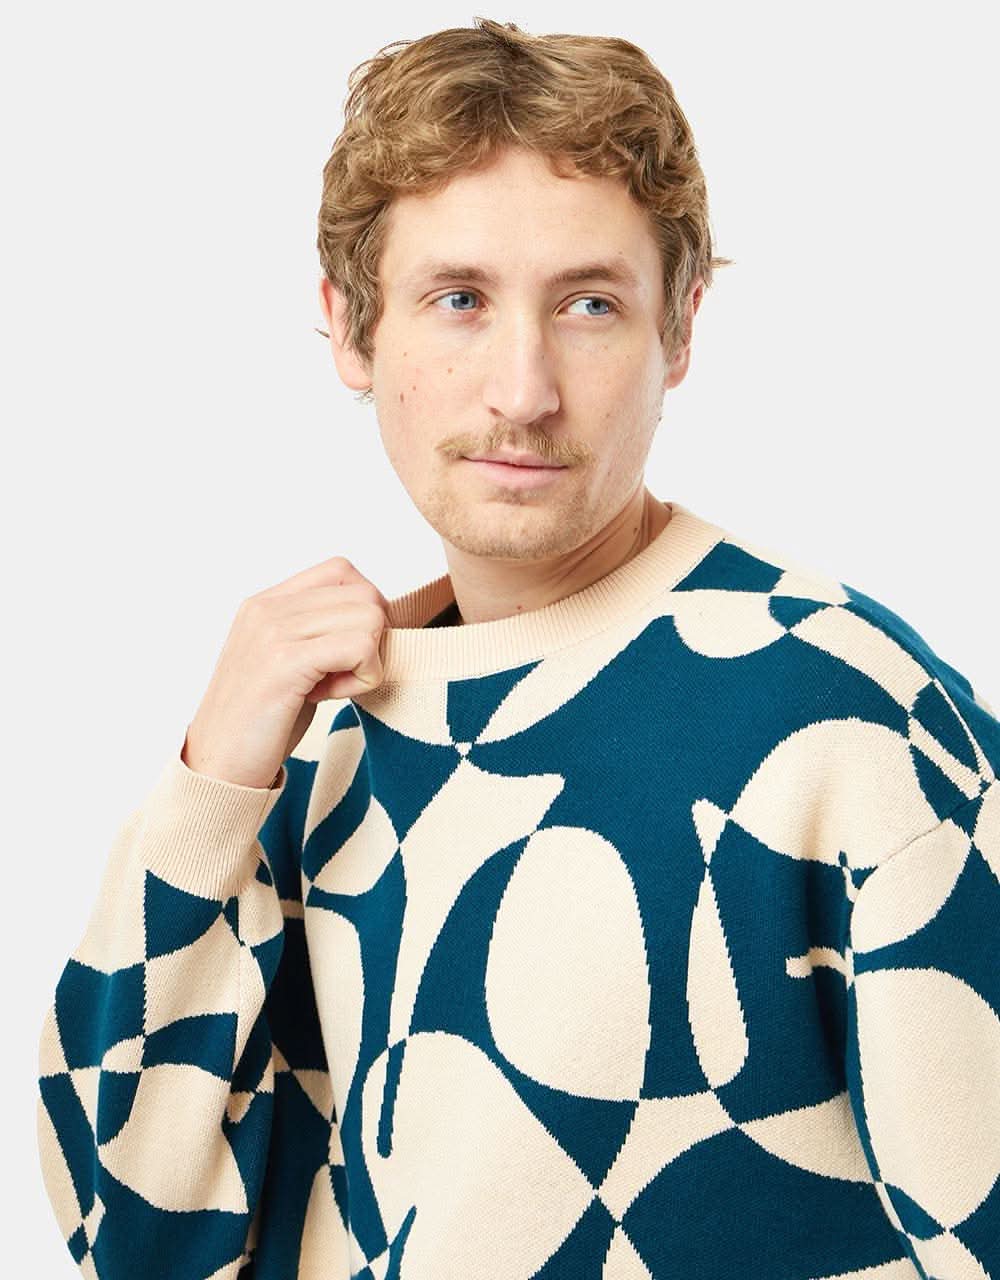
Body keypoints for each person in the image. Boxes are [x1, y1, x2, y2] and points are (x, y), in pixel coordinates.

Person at [36, 17, 999, 1280]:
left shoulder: (848, 713)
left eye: (589, 305)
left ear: (681, 329)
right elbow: (132, 1236)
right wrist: (210, 788)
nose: (522, 390)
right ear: (351, 327)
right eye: (459, 301)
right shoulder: (311, 744)